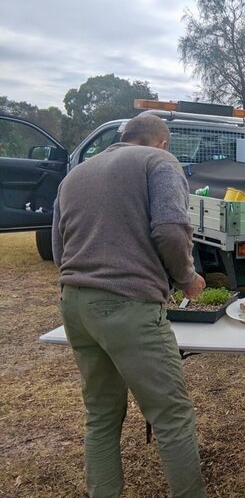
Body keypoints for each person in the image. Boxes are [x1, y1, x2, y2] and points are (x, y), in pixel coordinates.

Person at [51, 113, 207, 498]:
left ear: (125, 137)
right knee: (171, 417)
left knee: (101, 416)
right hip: (128, 305)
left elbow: (59, 249)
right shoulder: (159, 162)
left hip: (75, 304)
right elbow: (171, 227)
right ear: (162, 142)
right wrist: (187, 278)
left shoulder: (74, 176)